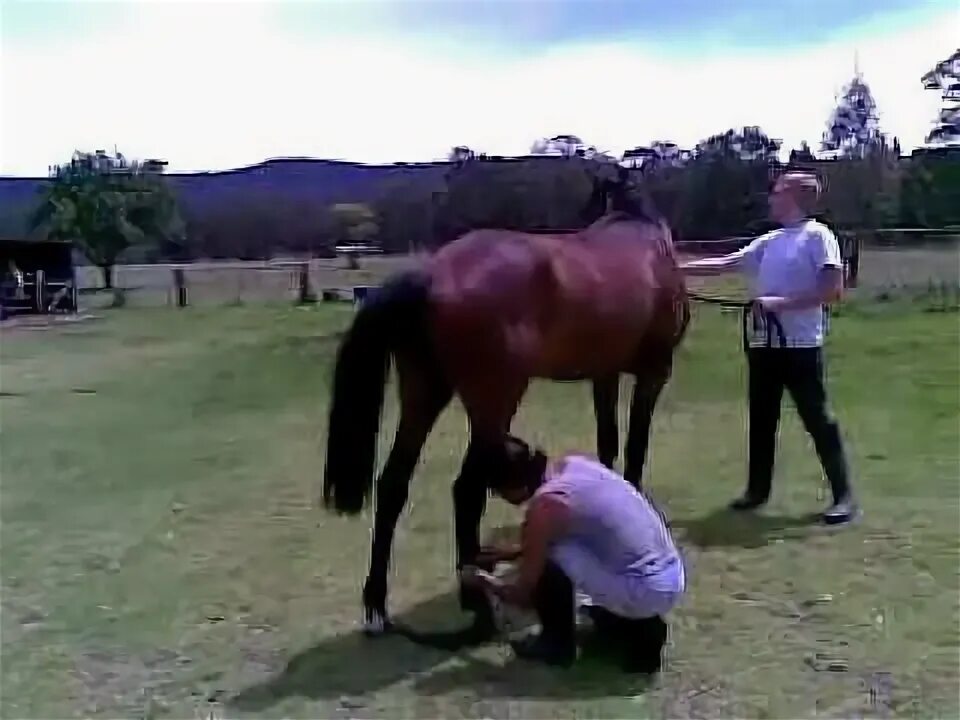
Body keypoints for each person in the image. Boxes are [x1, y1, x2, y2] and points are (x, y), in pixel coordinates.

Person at [680, 170, 858, 525]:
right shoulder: (771, 240)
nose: (771, 198)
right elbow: (725, 264)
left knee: (818, 419)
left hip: (800, 346)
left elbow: (833, 291)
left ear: (794, 197)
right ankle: (757, 491)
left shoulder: (818, 237)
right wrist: (675, 268)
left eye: (776, 192)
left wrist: (780, 303)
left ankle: (844, 496)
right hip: (764, 344)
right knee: (762, 420)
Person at [463, 436, 686, 672]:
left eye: (497, 491)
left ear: (510, 485)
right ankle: (629, 624)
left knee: (554, 553)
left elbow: (523, 596)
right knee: (564, 547)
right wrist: (511, 555)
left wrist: (482, 581)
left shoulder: (544, 507)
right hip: (671, 574)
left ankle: (556, 645)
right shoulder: (574, 466)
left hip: (644, 590)